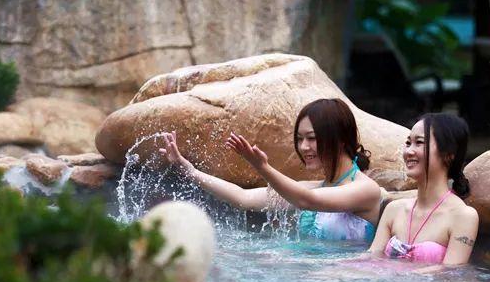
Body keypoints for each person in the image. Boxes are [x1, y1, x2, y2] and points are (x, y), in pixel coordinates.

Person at [158, 98, 382, 242]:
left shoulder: (366, 190)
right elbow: (243, 197)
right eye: (300, 139)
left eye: (312, 138)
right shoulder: (313, 188)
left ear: (340, 140)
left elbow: (307, 201)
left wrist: (263, 167)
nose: (304, 147)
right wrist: (190, 171)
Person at [368, 113, 478, 265]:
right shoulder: (394, 209)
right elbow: (371, 258)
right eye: (408, 143)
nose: (409, 151)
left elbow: (451, 271)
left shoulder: (463, 216)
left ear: (449, 155)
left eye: (419, 142)